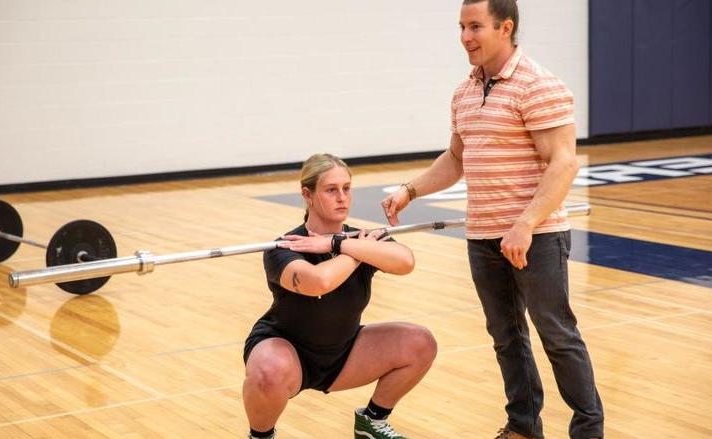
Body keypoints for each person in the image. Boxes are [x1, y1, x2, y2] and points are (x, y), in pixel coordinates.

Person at [381, 1, 604, 438]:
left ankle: (588, 430)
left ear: (506, 27)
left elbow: (563, 165)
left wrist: (524, 225)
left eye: (475, 26)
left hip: (536, 237)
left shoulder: (539, 85)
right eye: (462, 26)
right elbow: (456, 158)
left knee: (556, 335)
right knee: (507, 337)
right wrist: (410, 190)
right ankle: (522, 426)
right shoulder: (465, 91)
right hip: (483, 237)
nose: (465, 36)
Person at [243, 153, 437, 439]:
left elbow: (405, 261)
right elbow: (319, 282)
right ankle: (260, 436)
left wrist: (337, 243)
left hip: (344, 353)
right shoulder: (284, 247)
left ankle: (372, 421)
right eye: (331, 190)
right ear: (307, 194)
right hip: (288, 353)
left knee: (420, 343)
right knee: (267, 372)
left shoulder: (357, 240)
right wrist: (357, 251)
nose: (342, 198)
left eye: (347, 188)